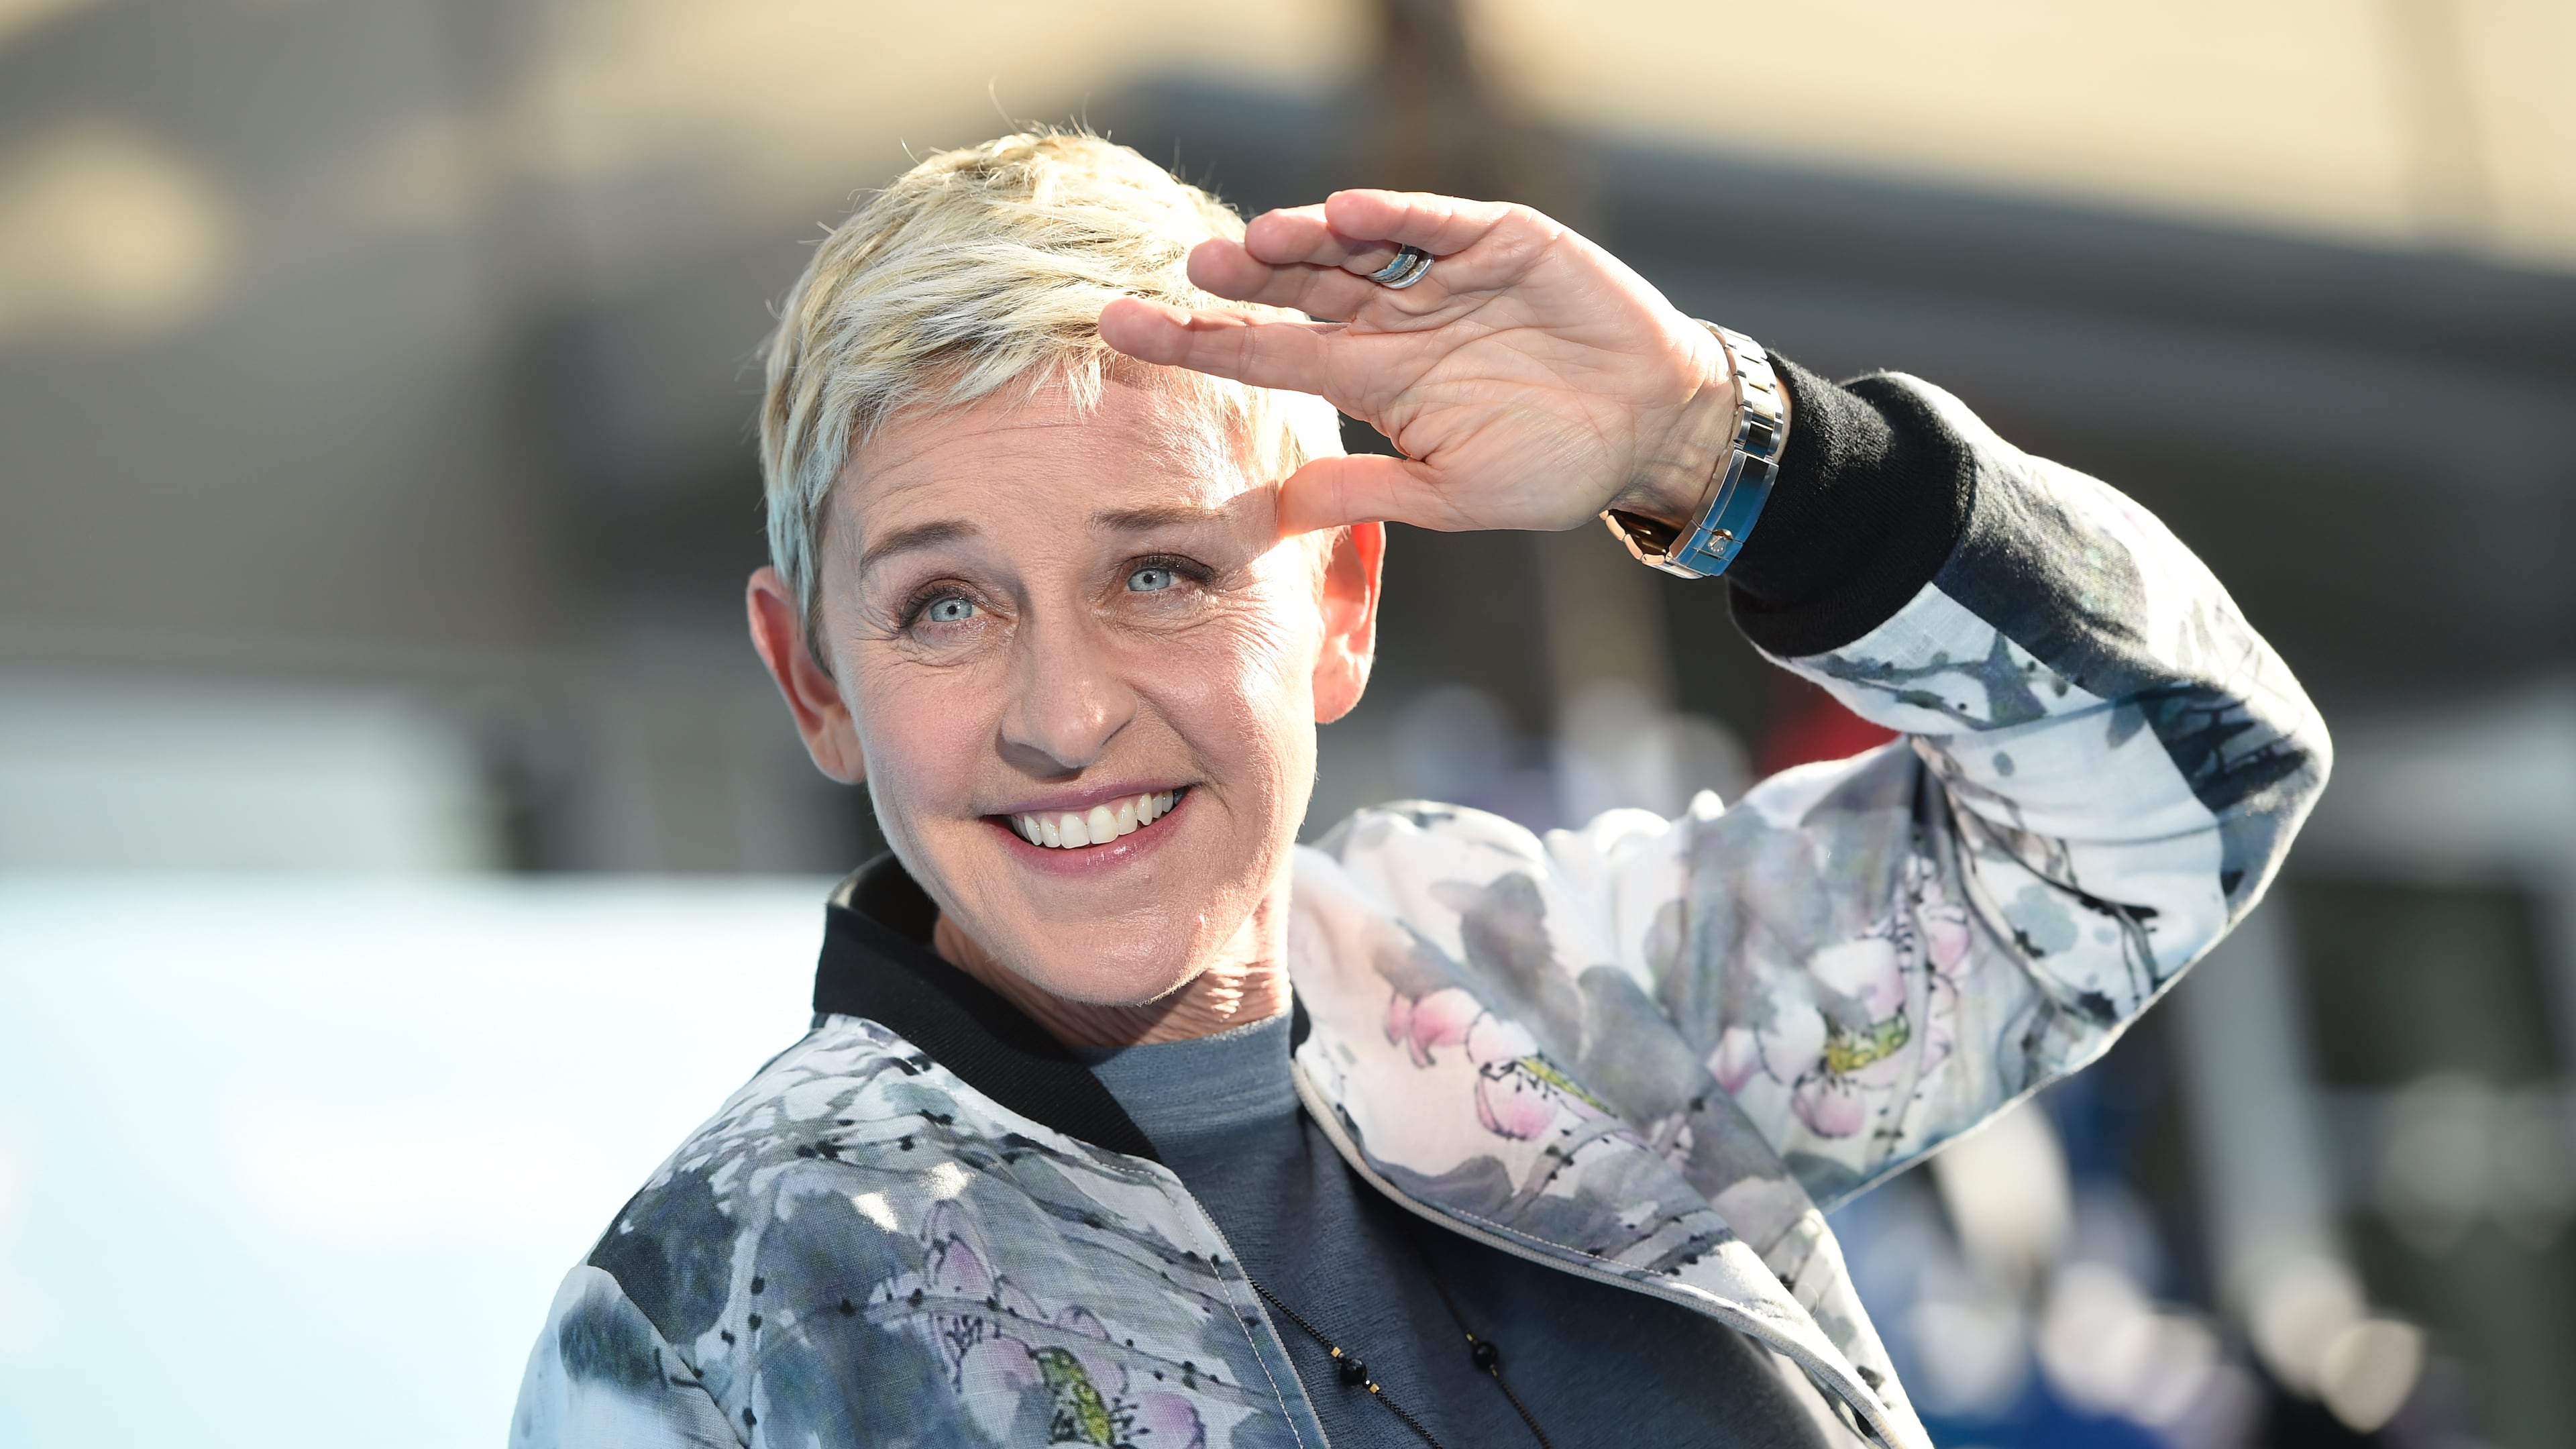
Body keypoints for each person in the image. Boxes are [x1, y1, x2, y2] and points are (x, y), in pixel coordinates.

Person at [510, 130, 2326, 1449]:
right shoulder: (730, 1307)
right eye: (943, 606)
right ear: (812, 677)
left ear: (1340, 607)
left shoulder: (1556, 996)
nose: (1061, 714)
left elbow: (2185, 788)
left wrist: (1722, 440)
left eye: (1163, 571)